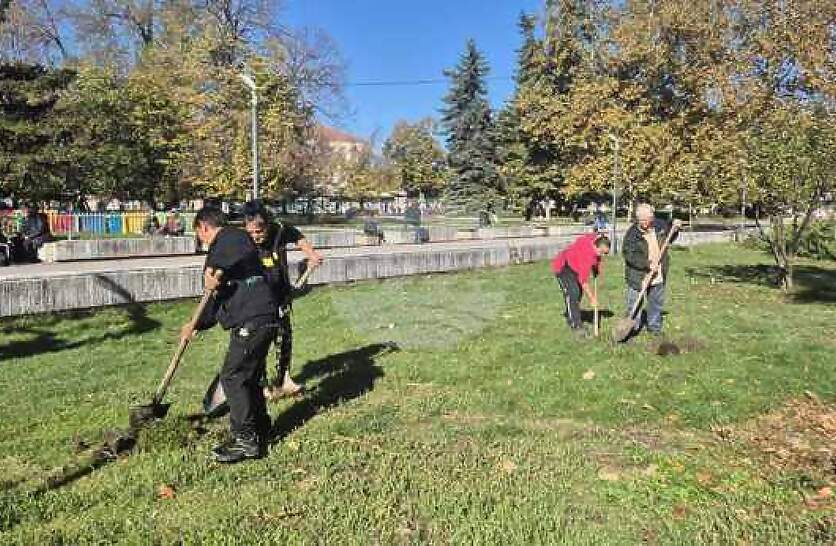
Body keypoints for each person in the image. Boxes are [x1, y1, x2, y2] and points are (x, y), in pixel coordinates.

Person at [184, 207, 279, 463]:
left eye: (200, 235)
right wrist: (196, 324)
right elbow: (214, 300)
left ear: (204, 226)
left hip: (255, 318)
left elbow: (234, 251)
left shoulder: (231, 237)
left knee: (233, 376)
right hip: (261, 317)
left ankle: (245, 441)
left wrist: (213, 268)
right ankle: (261, 429)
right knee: (250, 377)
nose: (202, 242)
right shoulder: (228, 257)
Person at [241, 201, 323, 401]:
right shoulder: (243, 240)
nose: (255, 237)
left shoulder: (280, 231)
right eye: (250, 232)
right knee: (259, 339)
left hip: (281, 293)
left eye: (259, 232)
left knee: (284, 334)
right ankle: (260, 384)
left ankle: (284, 378)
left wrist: (311, 255)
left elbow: (298, 237)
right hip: (257, 298)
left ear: (267, 225)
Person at [622, 204, 682, 337]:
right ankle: (632, 329)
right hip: (639, 275)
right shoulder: (632, 234)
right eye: (640, 220)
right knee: (634, 304)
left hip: (658, 273)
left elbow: (670, 236)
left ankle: (654, 327)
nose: (643, 223)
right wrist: (647, 264)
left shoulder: (660, 225)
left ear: (652, 217)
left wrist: (675, 227)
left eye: (646, 219)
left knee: (655, 302)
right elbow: (629, 254)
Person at [551, 232, 611, 335]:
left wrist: (596, 268)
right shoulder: (587, 256)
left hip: (575, 264)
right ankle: (576, 324)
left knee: (578, 294)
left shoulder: (595, 241)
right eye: (602, 253)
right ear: (596, 247)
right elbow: (584, 281)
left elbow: (593, 237)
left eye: (606, 253)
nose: (603, 256)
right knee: (573, 293)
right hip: (563, 267)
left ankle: (573, 313)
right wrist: (592, 298)